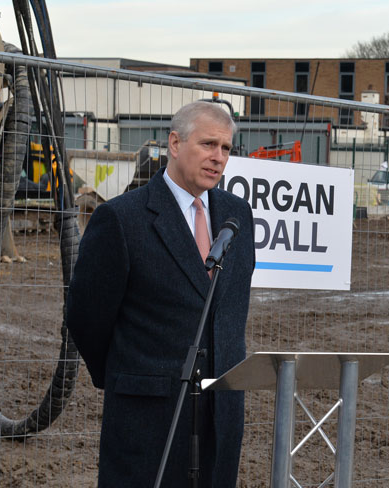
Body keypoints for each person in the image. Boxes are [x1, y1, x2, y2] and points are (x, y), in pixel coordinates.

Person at [67, 100, 255, 488]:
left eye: (226, 149)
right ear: (174, 143)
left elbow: (232, 309)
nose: (218, 158)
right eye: (207, 145)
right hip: (148, 421)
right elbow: (87, 318)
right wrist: (129, 376)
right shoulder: (122, 219)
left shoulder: (239, 215)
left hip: (221, 418)